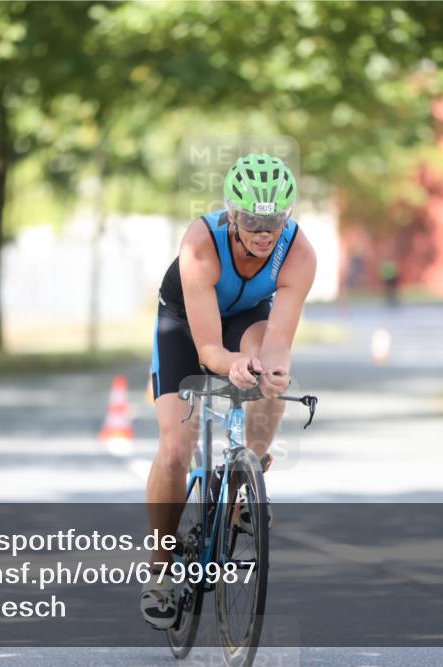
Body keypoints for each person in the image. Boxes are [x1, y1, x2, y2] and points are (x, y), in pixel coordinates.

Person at [140, 154, 316, 629]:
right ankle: (159, 570)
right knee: (176, 449)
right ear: (232, 216)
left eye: (275, 221)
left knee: (273, 375)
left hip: (247, 315)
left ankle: (247, 477)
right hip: (186, 323)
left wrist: (269, 373)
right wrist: (232, 365)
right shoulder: (200, 244)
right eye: (253, 220)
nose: (264, 231)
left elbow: (278, 342)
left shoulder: (299, 252)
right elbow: (208, 350)